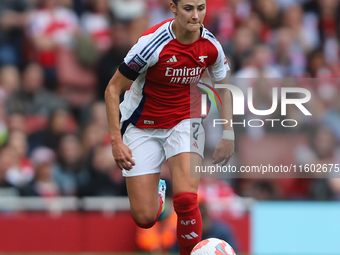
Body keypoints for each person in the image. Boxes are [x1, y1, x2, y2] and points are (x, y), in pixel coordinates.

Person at [105, 0, 234, 254]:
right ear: (173, 8)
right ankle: (158, 194)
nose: (196, 16)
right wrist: (115, 141)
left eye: (201, 8)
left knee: (187, 198)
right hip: (143, 125)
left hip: (186, 120)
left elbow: (224, 88)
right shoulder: (151, 44)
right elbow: (112, 89)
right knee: (145, 218)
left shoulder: (211, 46)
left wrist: (229, 132)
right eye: (188, 8)